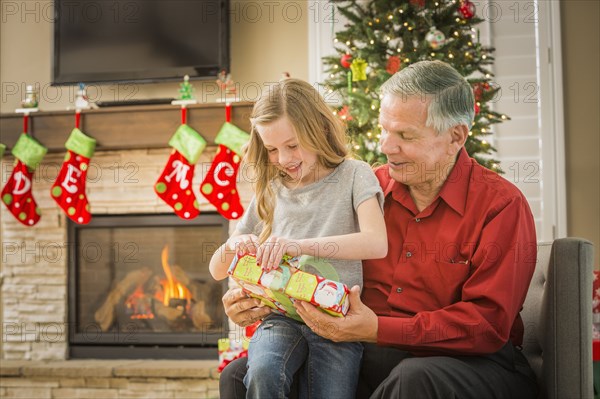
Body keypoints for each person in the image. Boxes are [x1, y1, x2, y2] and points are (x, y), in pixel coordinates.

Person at [219, 60, 539, 399]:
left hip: (470, 363)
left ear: (455, 137)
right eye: (384, 130)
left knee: (413, 377)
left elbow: (486, 326)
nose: (387, 146)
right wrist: (259, 298)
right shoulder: (367, 189)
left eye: (405, 135)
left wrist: (377, 328)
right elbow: (314, 269)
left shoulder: (500, 206)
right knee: (240, 375)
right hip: (370, 348)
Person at [209, 78, 388, 399]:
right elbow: (216, 270)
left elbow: (376, 242)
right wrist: (236, 243)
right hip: (281, 318)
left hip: (338, 322)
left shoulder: (354, 174)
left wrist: (298, 246)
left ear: (318, 128)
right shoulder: (271, 189)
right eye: (272, 149)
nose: (283, 158)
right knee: (262, 373)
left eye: (292, 145)